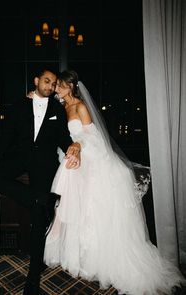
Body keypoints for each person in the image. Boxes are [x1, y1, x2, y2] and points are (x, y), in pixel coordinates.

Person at [43, 70, 186, 295]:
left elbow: (94, 137)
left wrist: (79, 145)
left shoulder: (80, 106)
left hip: (91, 161)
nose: (56, 89)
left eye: (59, 85)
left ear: (70, 86)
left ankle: (96, 258)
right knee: (69, 207)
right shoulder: (60, 106)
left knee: (91, 210)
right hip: (72, 161)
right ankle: (76, 255)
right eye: (56, 86)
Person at [0, 69, 81, 295]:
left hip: (44, 163)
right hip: (19, 157)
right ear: (36, 81)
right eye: (46, 81)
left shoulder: (57, 109)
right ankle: (39, 200)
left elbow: (64, 136)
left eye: (54, 84)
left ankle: (33, 277)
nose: (51, 86)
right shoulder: (19, 106)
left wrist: (72, 148)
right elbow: (4, 136)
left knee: (38, 218)